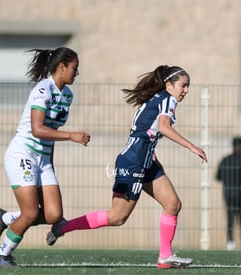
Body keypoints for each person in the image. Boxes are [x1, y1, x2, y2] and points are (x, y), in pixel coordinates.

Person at [46, 65, 207, 269]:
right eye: (183, 85)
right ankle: (62, 227)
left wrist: (152, 155)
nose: (186, 90)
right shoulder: (167, 99)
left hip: (145, 161)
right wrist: (192, 146)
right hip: (133, 162)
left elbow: (144, 131)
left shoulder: (158, 100)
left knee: (173, 204)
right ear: (169, 85)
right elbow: (164, 128)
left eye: (188, 86)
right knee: (117, 217)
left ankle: (165, 257)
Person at [0, 47, 91, 268]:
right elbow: (37, 129)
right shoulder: (43, 89)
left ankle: (5, 218)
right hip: (22, 154)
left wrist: (49, 165)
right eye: (75, 68)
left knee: (54, 215)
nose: (77, 72)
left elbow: (51, 131)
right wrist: (72, 135)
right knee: (30, 212)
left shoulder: (67, 95)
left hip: (43, 159)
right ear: (62, 66)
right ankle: (2, 255)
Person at [216, 137, 241, 250]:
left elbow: (218, 177)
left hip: (228, 194)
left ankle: (230, 243)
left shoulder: (225, 160)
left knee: (230, 220)